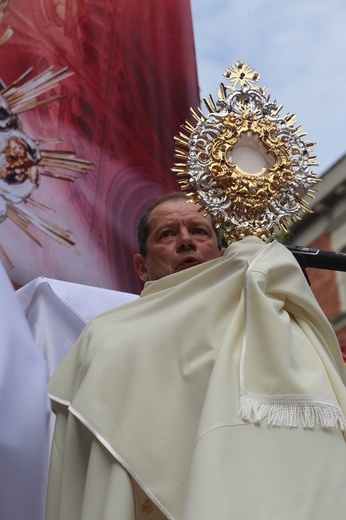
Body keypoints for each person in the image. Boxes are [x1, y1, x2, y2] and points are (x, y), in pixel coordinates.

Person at [46, 192, 346, 520]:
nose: (186, 241)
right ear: (141, 266)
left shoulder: (264, 309)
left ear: (221, 251)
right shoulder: (108, 334)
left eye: (200, 231)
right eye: (168, 234)